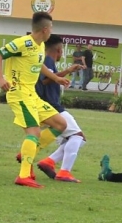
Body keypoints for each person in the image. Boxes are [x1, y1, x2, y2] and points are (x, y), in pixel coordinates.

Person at [0, 12, 70, 189]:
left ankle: (28, 152)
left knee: (60, 124)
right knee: (33, 132)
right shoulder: (23, 43)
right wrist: (0, 79)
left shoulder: (40, 45)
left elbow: (38, 64)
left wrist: (56, 78)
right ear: (45, 29)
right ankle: (24, 175)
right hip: (19, 93)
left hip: (31, 94)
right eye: (51, 27)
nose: (52, 30)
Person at [34, 34, 87, 183]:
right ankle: (64, 172)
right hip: (52, 107)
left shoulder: (43, 60)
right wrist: (67, 71)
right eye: (62, 50)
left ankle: (49, 162)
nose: (62, 53)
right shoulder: (47, 60)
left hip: (49, 106)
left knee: (72, 138)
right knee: (78, 136)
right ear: (58, 49)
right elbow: (45, 80)